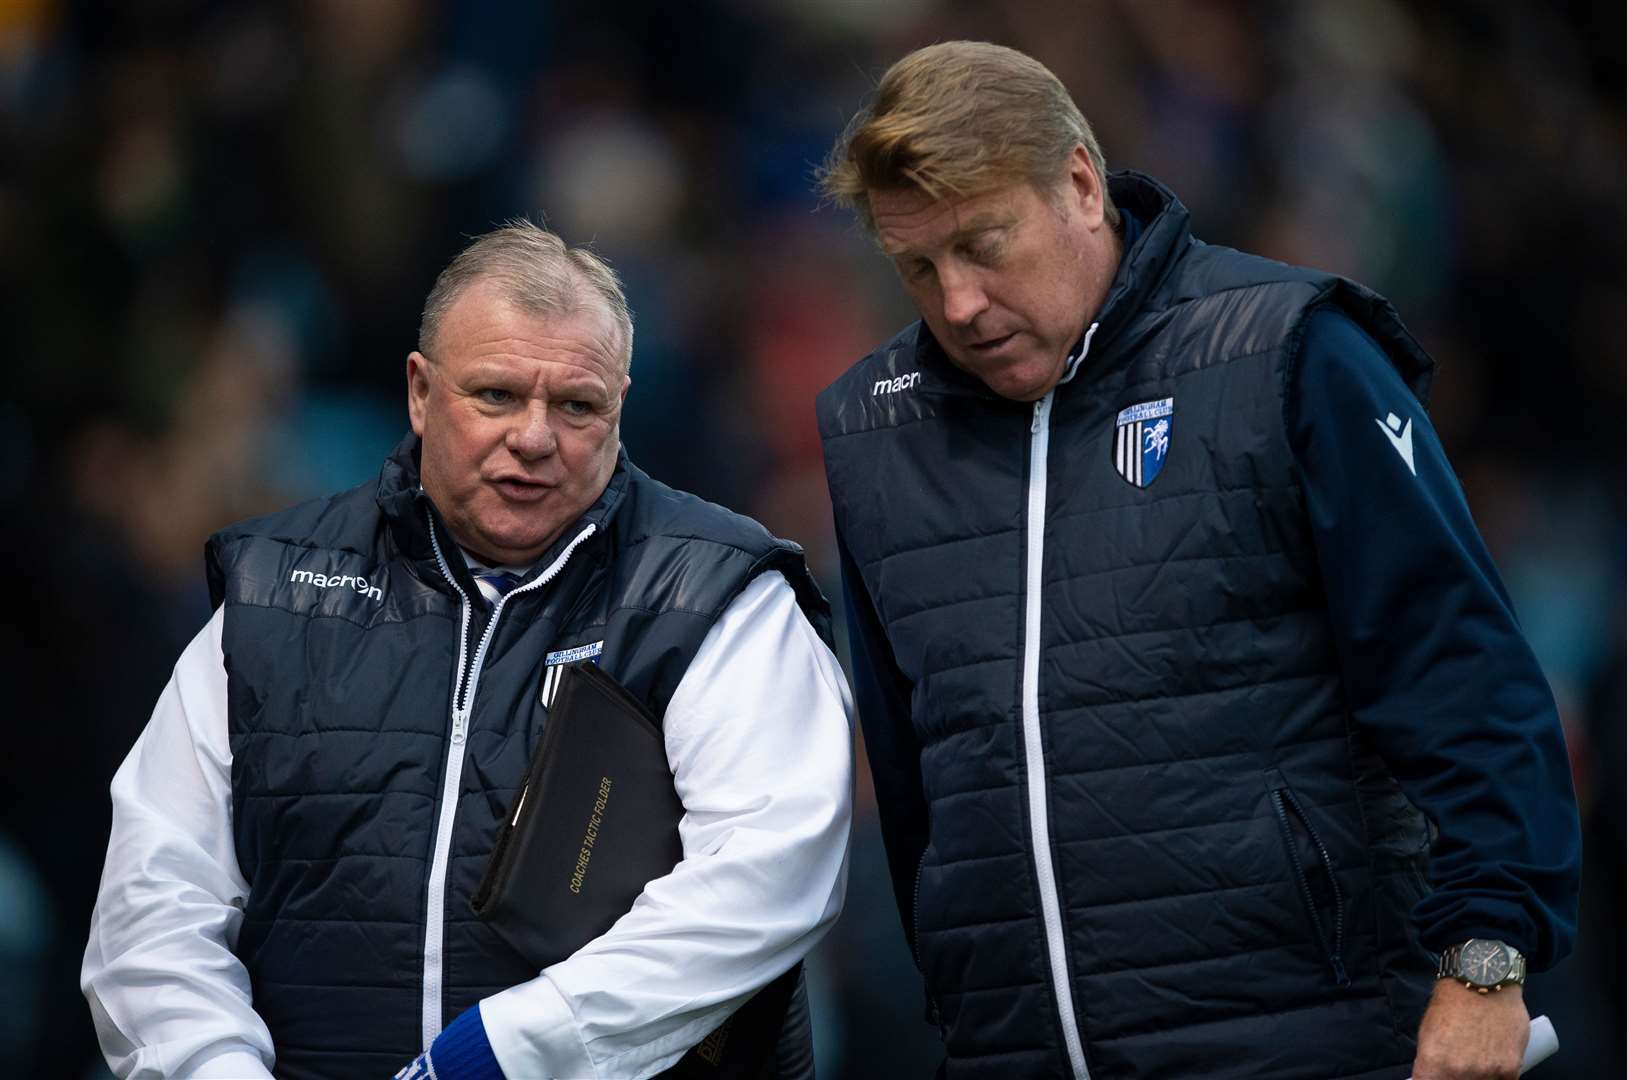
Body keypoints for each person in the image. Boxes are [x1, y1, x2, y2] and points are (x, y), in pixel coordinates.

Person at [815, 41, 1580, 1080]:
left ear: (1080, 185)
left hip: (1310, 1039)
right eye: (917, 267)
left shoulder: (1289, 352)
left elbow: (1467, 683)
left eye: (983, 245)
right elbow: (916, 787)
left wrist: (1484, 964)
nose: (956, 305)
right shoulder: (870, 429)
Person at [82, 221, 854, 1080]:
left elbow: (765, 879)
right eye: (494, 395)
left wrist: (504, 1054)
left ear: (621, 406)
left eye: (576, 406)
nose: (534, 437)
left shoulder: (716, 595)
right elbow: (154, 899)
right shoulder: (275, 587)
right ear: (419, 392)